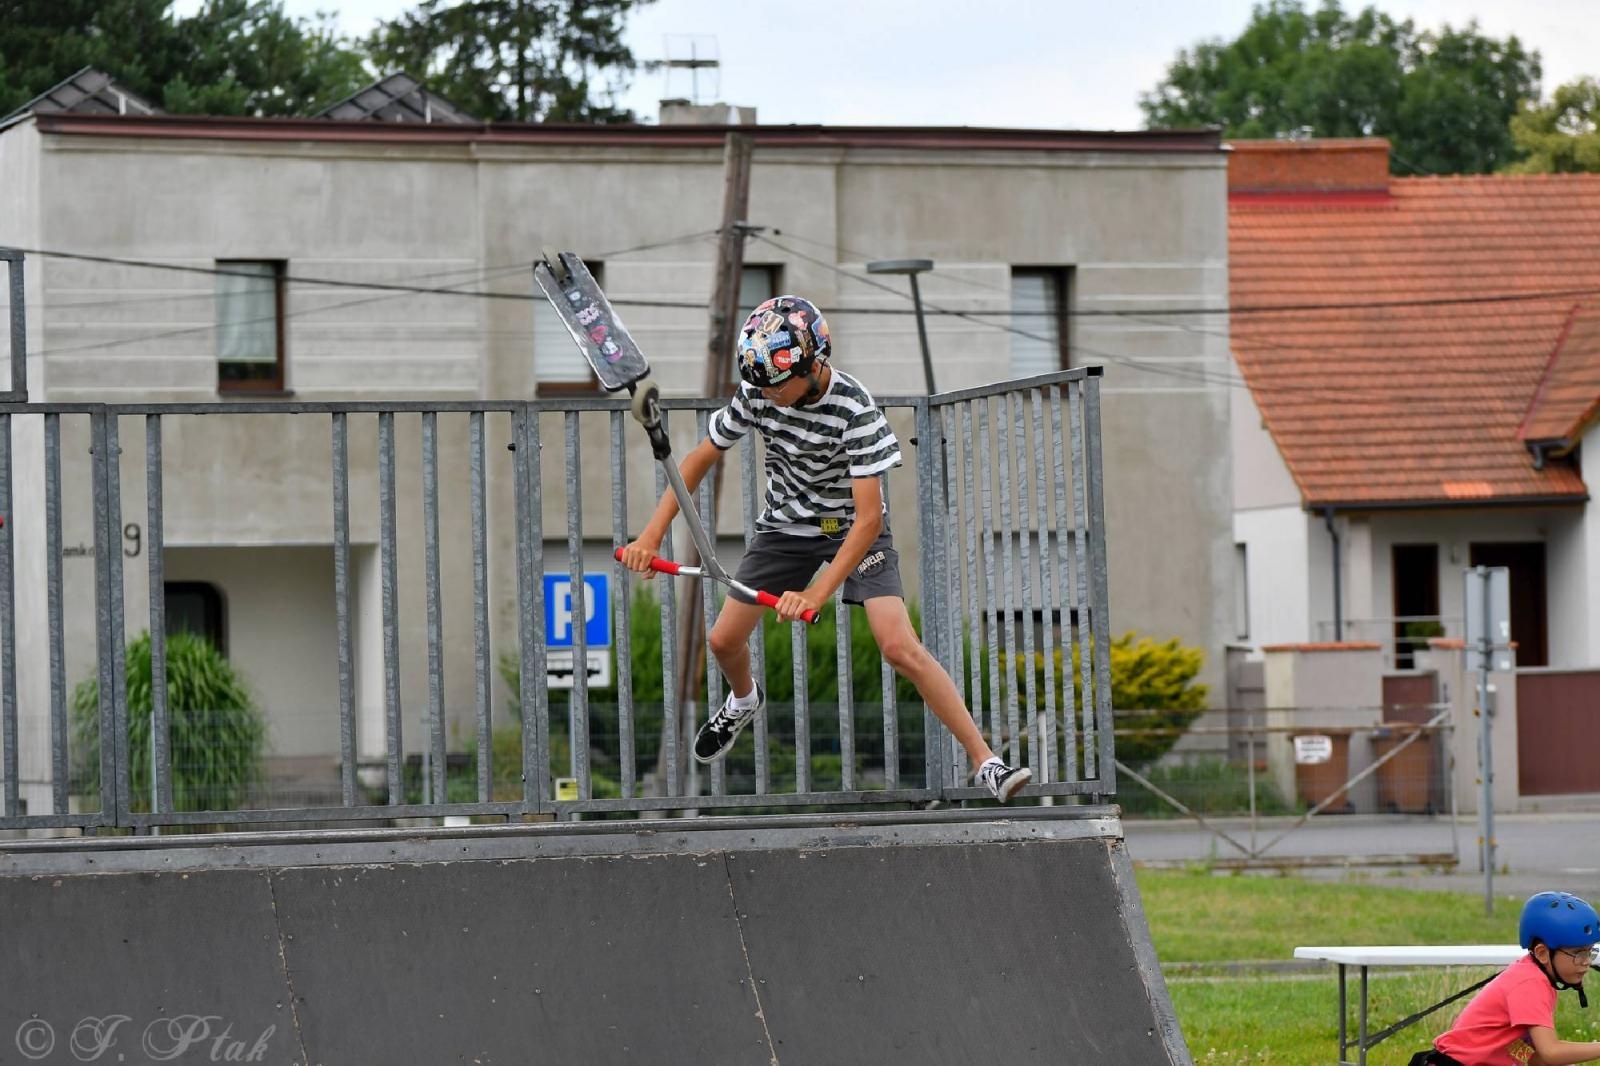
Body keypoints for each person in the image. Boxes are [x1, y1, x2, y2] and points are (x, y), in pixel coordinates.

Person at [619, 294, 1033, 803]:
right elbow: (699, 459)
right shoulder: (757, 391)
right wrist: (651, 534)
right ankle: (744, 701)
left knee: (898, 646)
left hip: (852, 530)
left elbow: (869, 517)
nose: (768, 396)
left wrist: (816, 594)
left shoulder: (855, 409)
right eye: (761, 387)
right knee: (723, 642)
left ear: (814, 363)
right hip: (785, 528)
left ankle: (986, 762)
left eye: (778, 385)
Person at [1411, 891, 1600, 1066]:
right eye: (1578, 953)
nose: (1585, 962)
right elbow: (1551, 1051)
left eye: (1590, 951)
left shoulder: (1532, 975)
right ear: (1542, 953)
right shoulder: (1530, 985)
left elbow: (1528, 1053)